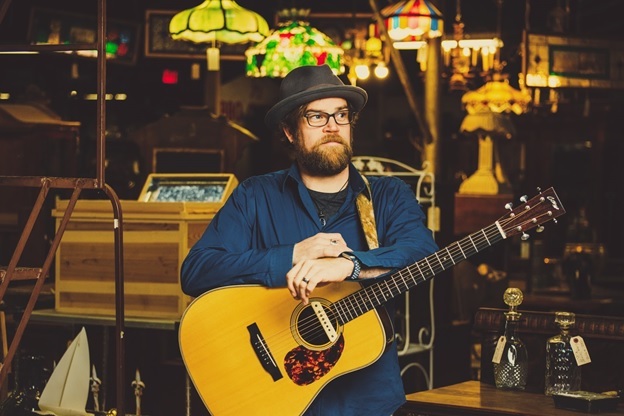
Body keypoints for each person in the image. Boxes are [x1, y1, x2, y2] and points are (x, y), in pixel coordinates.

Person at [181, 64, 438, 416]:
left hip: (368, 401)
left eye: (341, 115)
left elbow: (423, 252)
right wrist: (289, 256)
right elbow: (196, 271)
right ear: (289, 131)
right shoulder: (255, 196)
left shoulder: (388, 195)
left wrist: (348, 267)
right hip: (274, 399)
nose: (333, 126)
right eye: (316, 116)